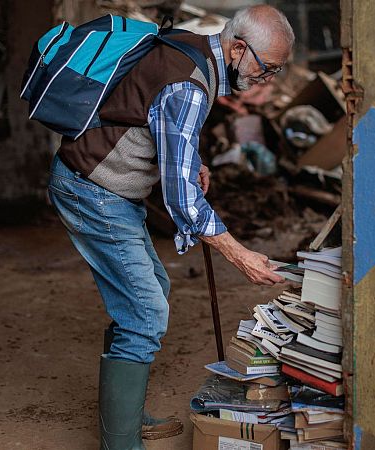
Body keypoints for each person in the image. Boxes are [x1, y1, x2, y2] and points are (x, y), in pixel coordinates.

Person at [46, 5, 294, 449]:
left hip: (110, 189)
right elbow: (180, 198)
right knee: (145, 311)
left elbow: (151, 113)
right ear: (238, 49)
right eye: (267, 68)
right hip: (93, 190)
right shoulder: (190, 85)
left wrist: (191, 159)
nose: (267, 79)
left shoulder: (194, 50)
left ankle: (123, 418)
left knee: (149, 292)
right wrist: (238, 252)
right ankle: (119, 442)